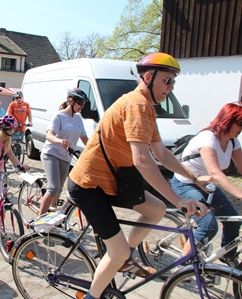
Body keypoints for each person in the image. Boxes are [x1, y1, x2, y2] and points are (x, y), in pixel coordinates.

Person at [67, 52, 209, 299]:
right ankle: (96, 291)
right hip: (89, 185)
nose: (171, 87)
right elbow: (142, 160)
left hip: (110, 182)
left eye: (173, 82)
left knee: (156, 210)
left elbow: (162, 154)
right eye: (167, 80)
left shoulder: (148, 108)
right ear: (148, 77)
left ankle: (124, 258)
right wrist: (179, 200)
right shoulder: (137, 105)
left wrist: (193, 178)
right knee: (118, 251)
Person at [172, 102, 242, 266]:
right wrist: (240, 194)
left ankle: (228, 254)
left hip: (207, 186)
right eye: (240, 123)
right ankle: (181, 267)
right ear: (227, 120)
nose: (241, 128)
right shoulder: (208, 138)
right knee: (208, 226)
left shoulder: (233, 142)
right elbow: (215, 173)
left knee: (234, 219)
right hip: (186, 184)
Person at [38, 88, 89, 215]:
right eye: (80, 103)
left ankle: (51, 212)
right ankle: (38, 222)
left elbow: (84, 138)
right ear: (71, 101)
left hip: (66, 156)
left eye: (83, 103)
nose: (82, 106)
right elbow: (49, 135)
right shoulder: (59, 116)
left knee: (59, 189)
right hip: (51, 153)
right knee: (53, 188)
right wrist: (60, 141)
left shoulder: (78, 119)